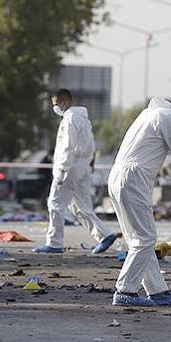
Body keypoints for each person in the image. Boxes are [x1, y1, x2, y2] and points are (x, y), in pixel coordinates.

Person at [108, 90, 171, 307]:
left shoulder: (152, 113)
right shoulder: (169, 117)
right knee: (145, 239)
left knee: (139, 240)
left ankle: (157, 291)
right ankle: (125, 290)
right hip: (133, 178)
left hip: (119, 177)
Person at [35, 88, 118, 254]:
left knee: (55, 204)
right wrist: (89, 164)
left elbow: (68, 146)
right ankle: (105, 235)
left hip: (70, 168)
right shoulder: (84, 119)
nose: (55, 108)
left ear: (64, 102)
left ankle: (54, 243)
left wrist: (62, 169)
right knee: (80, 207)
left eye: (56, 104)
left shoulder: (70, 118)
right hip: (82, 168)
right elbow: (91, 146)